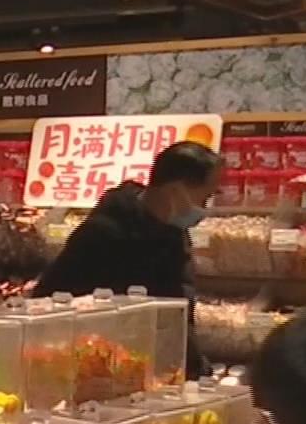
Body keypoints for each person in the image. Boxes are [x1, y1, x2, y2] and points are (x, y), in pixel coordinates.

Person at [33, 140, 220, 376]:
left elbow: (177, 314)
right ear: (175, 190)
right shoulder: (104, 233)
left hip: (154, 371)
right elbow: (49, 301)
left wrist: (194, 369)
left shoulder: (174, 233)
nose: (204, 208)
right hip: (100, 370)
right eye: (204, 198)